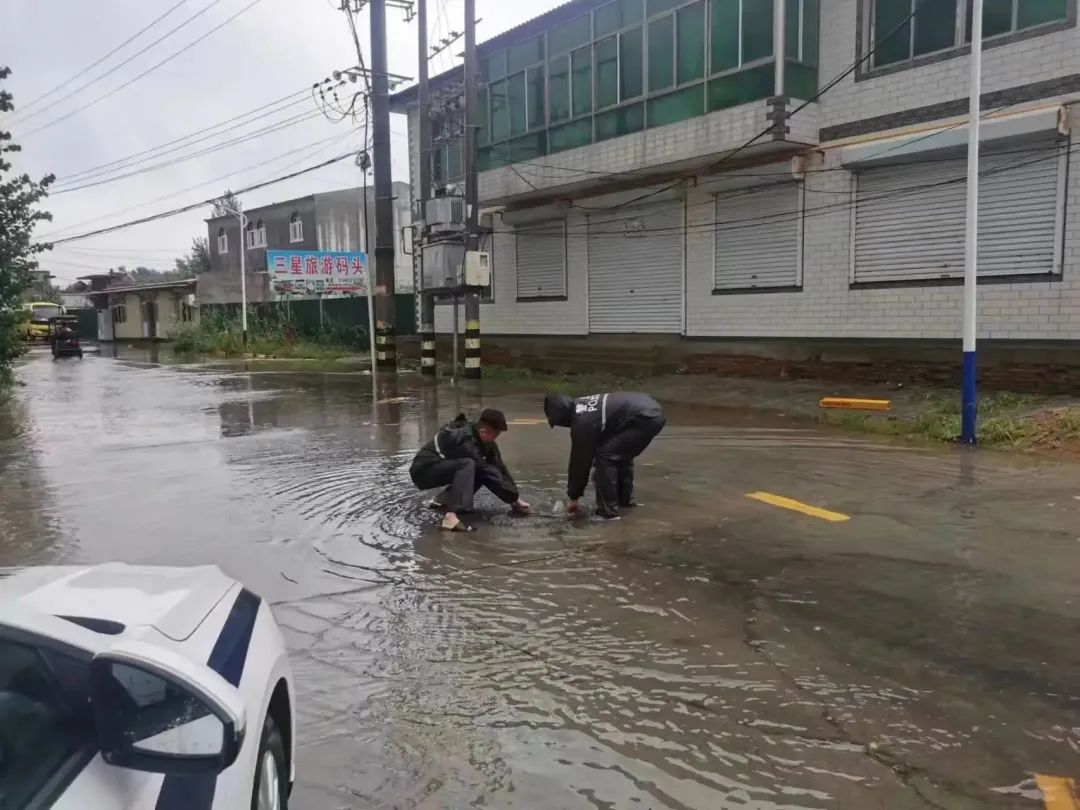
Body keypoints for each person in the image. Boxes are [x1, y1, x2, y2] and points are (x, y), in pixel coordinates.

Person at [544, 392, 666, 521]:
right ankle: (624, 503)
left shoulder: (582, 422)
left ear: (562, 417)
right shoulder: (584, 406)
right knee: (618, 455)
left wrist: (573, 497)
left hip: (643, 418)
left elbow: (579, 462)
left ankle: (608, 513)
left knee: (605, 457)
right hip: (649, 411)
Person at [410, 408, 530, 532]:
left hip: (440, 467)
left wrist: (515, 500)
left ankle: (443, 500)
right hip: (423, 471)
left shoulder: (479, 437)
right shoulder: (463, 439)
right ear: (483, 431)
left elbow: (499, 467)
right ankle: (452, 517)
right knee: (468, 465)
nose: (494, 440)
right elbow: (487, 471)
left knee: (477, 470)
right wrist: (511, 497)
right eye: (495, 436)